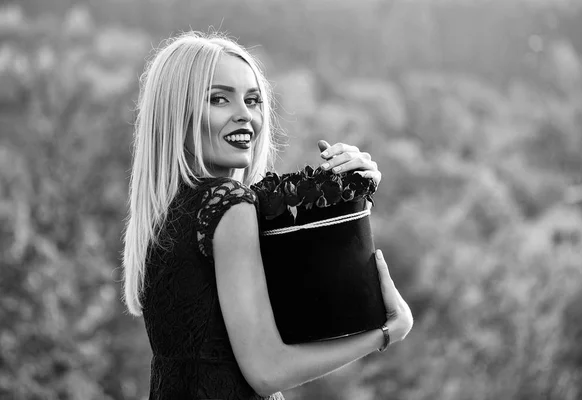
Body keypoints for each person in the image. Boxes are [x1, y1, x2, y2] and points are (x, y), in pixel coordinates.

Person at [122, 31, 413, 400]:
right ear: (176, 112)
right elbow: (267, 370)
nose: (244, 115)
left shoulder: (165, 211)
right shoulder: (227, 204)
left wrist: (355, 192)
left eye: (253, 100)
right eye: (218, 99)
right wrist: (386, 333)